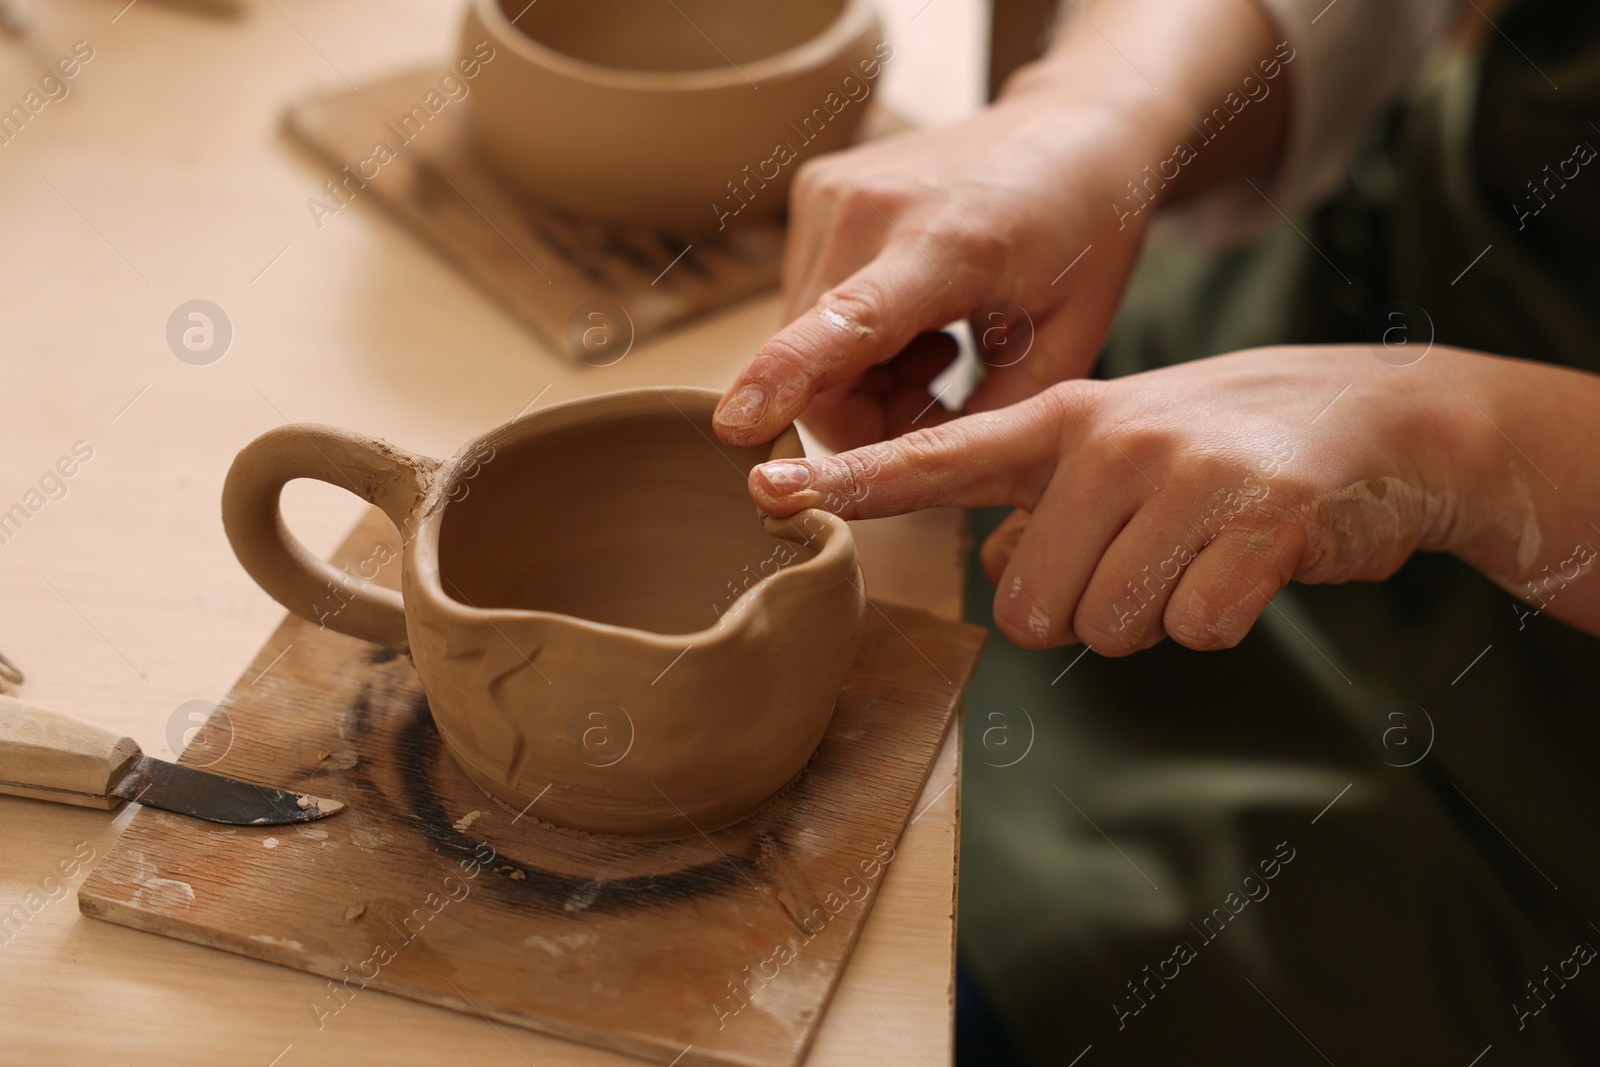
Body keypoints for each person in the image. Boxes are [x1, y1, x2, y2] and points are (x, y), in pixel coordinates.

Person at [712, 0, 1600, 1062]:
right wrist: (1088, 120)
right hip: (1344, 293)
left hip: (1528, 748)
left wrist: (1470, 445)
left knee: (929, 968)